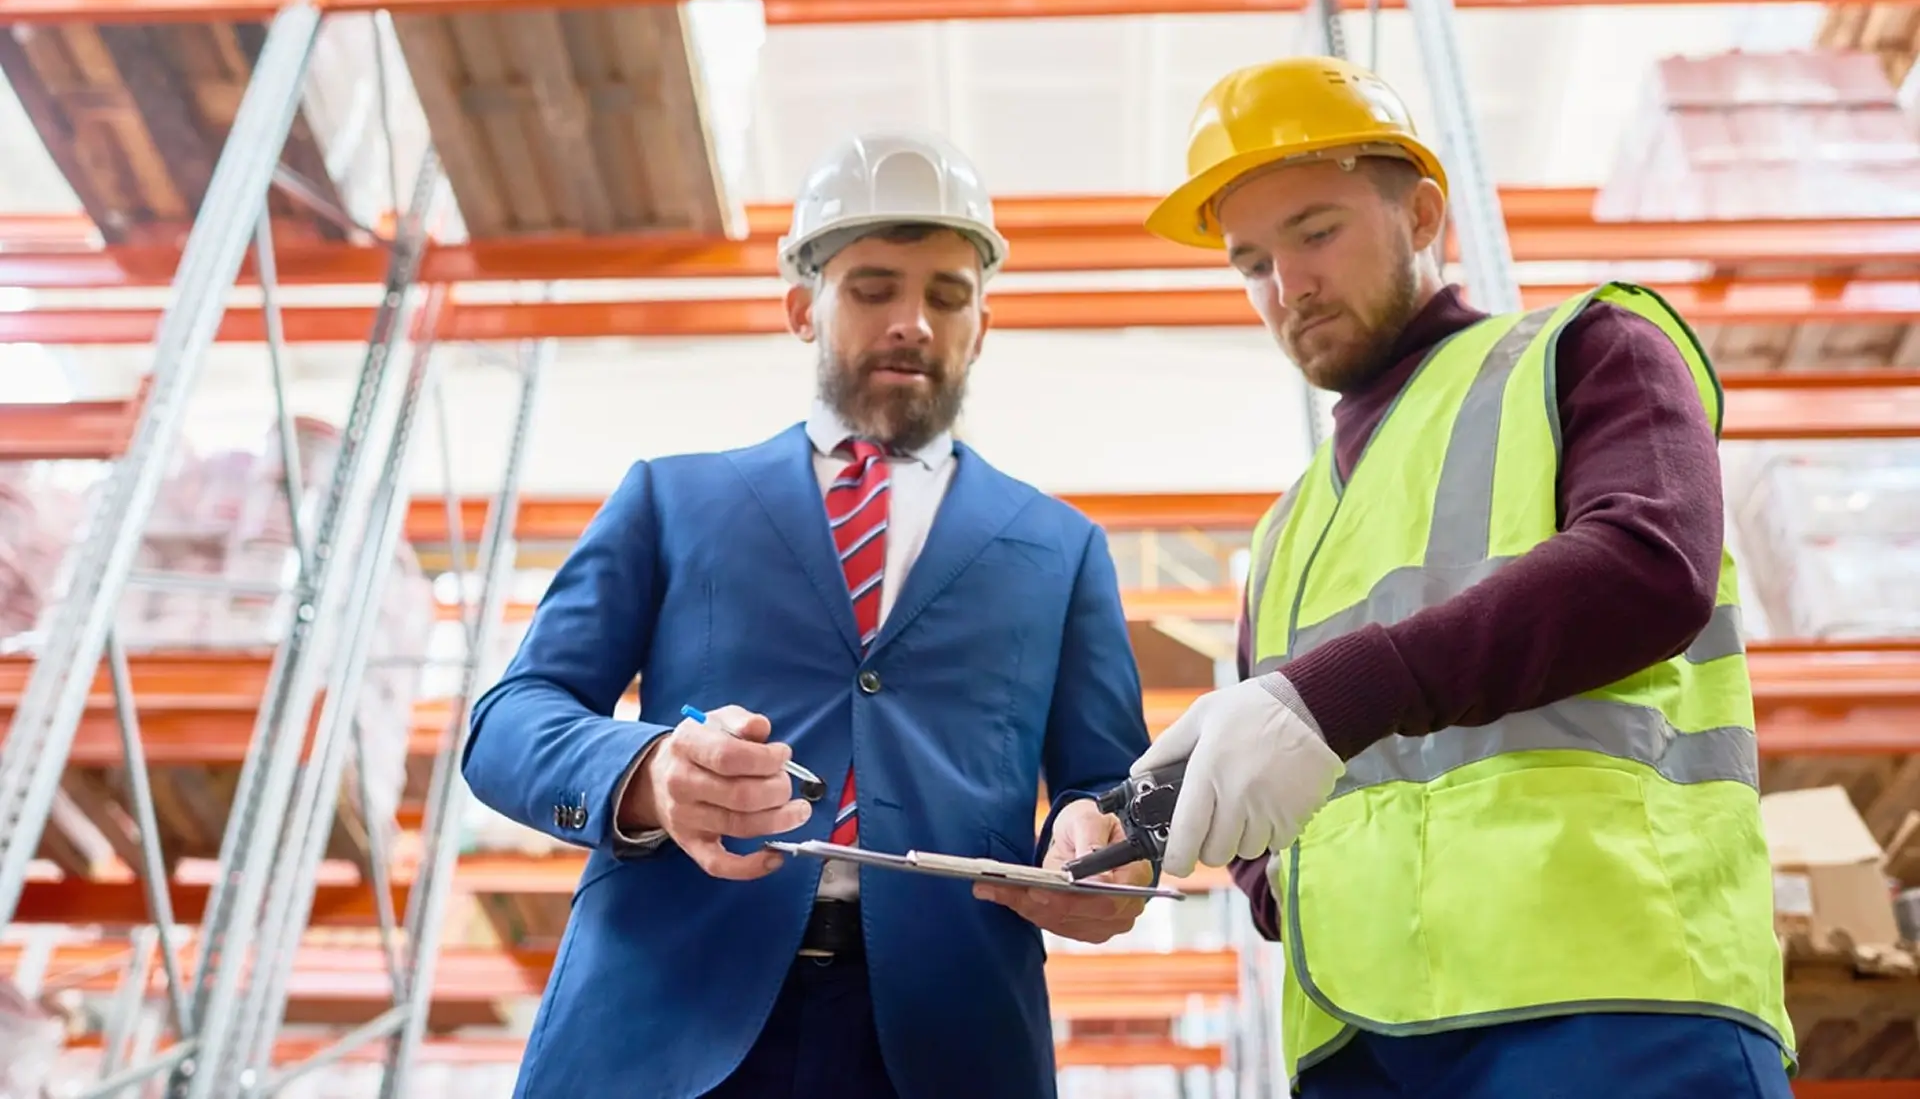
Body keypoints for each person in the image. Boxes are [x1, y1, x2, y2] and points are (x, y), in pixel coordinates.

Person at [1129, 56, 1795, 1098]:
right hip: (1363, 1045)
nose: (1287, 287)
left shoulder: (1586, 348)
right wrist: (1130, 832)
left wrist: (1336, 692)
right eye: (1250, 261)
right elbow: (1277, 809)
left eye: (1315, 232)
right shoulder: (1288, 529)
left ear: (1423, 212)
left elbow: (1649, 565)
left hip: (1611, 999)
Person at [461, 130, 1156, 1099]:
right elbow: (509, 722)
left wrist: (1106, 843)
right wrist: (648, 771)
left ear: (981, 327)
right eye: (873, 288)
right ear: (802, 308)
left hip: (948, 1041)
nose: (912, 321)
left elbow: (1111, 783)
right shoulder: (671, 499)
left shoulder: (1061, 546)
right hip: (663, 1020)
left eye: (947, 295)